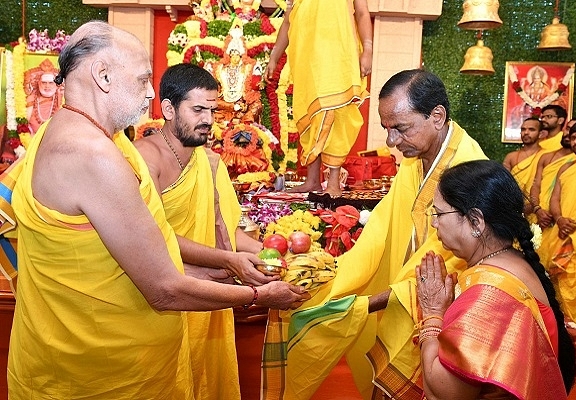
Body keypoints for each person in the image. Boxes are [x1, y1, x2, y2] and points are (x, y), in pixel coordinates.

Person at [7, 21, 309, 399]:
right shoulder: (92, 154)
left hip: (87, 358)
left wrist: (222, 268)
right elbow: (164, 290)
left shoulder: (74, 132)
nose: (151, 92)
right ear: (102, 75)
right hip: (103, 377)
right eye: (142, 79)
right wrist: (259, 297)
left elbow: (122, 257)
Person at [261, 69, 488, 399]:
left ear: (437, 116)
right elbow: (383, 225)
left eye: (401, 128)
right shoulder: (417, 158)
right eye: (387, 129)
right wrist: (335, 275)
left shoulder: (468, 170)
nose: (391, 142)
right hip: (404, 294)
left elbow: (451, 263)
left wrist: (368, 303)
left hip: (436, 310)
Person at [134, 63, 275, 400]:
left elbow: (227, 232)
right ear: (168, 109)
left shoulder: (208, 161)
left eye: (212, 110)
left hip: (206, 297)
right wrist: (230, 260)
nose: (209, 120)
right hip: (159, 298)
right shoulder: (144, 159)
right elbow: (154, 236)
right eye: (198, 109)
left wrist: (269, 253)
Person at [415, 159, 576, 399]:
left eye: (439, 213)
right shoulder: (512, 261)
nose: (434, 222)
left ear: (475, 222)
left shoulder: (487, 295)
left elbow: (445, 393)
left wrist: (432, 314)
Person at [265, 0, 373, 197]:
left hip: (336, 55)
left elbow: (362, 12)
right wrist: (274, 56)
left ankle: (333, 183)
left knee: (335, 111)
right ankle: (312, 180)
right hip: (305, 60)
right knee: (309, 113)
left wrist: (368, 49)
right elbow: (289, 20)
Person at [538, 119, 576, 331]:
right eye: (574, 137)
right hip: (560, 232)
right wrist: (560, 219)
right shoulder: (565, 167)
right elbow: (555, 198)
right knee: (559, 284)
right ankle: (562, 332)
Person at [530, 117, 576, 229]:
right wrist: (538, 210)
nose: (568, 133)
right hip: (539, 216)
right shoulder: (546, 158)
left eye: (574, 131)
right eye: (567, 128)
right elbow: (536, 186)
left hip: (564, 219)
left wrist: (557, 216)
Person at [503, 117, 545, 213]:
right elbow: (504, 184)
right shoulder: (511, 157)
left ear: (541, 134)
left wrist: (535, 205)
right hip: (516, 207)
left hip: (540, 208)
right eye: (523, 129)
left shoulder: (547, 156)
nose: (526, 132)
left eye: (531, 129)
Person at [25, 60, 64, 134]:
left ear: (56, 85)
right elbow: (23, 123)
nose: (47, 86)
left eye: (51, 83)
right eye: (44, 83)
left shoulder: (61, 99)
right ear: (39, 84)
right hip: (31, 139)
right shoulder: (31, 98)